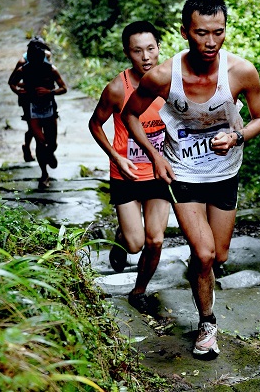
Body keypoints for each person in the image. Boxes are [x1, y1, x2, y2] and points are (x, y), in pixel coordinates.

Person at [124, 0, 260, 359]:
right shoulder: (162, 75)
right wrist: (156, 156)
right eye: (201, 33)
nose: (210, 42)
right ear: (185, 31)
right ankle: (207, 323)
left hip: (225, 172)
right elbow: (130, 115)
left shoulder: (241, 72)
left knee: (217, 256)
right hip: (184, 172)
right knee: (203, 254)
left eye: (218, 32)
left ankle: (200, 271)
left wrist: (236, 136)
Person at [88, 21, 171, 315]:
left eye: (151, 49)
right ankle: (122, 238)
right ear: (127, 53)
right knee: (136, 244)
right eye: (138, 51)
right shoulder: (116, 88)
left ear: (159, 47)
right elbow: (95, 124)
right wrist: (116, 157)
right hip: (125, 173)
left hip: (160, 172)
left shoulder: (171, 83)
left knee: (156, 240)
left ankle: (139, 291)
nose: (146, 57)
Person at [8, 38, 67, 188]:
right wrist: (20, 92)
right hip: (31, 110)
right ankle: (44, 175)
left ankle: (49, 153)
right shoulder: (23, 68)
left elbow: (64, 88)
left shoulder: (51, 69)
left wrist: (50, 91)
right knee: (40, 142)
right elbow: (12, 83)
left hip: (49, 108)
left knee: (51, 143)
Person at [9, 37, 52, 162]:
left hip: (43, 96)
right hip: (28, 98)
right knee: (32, 127)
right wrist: (20, 90)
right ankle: (27, 147)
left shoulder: (46, 55)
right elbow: (13, 81)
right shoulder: (22, 62)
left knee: (43, 124)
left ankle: (42, 147)